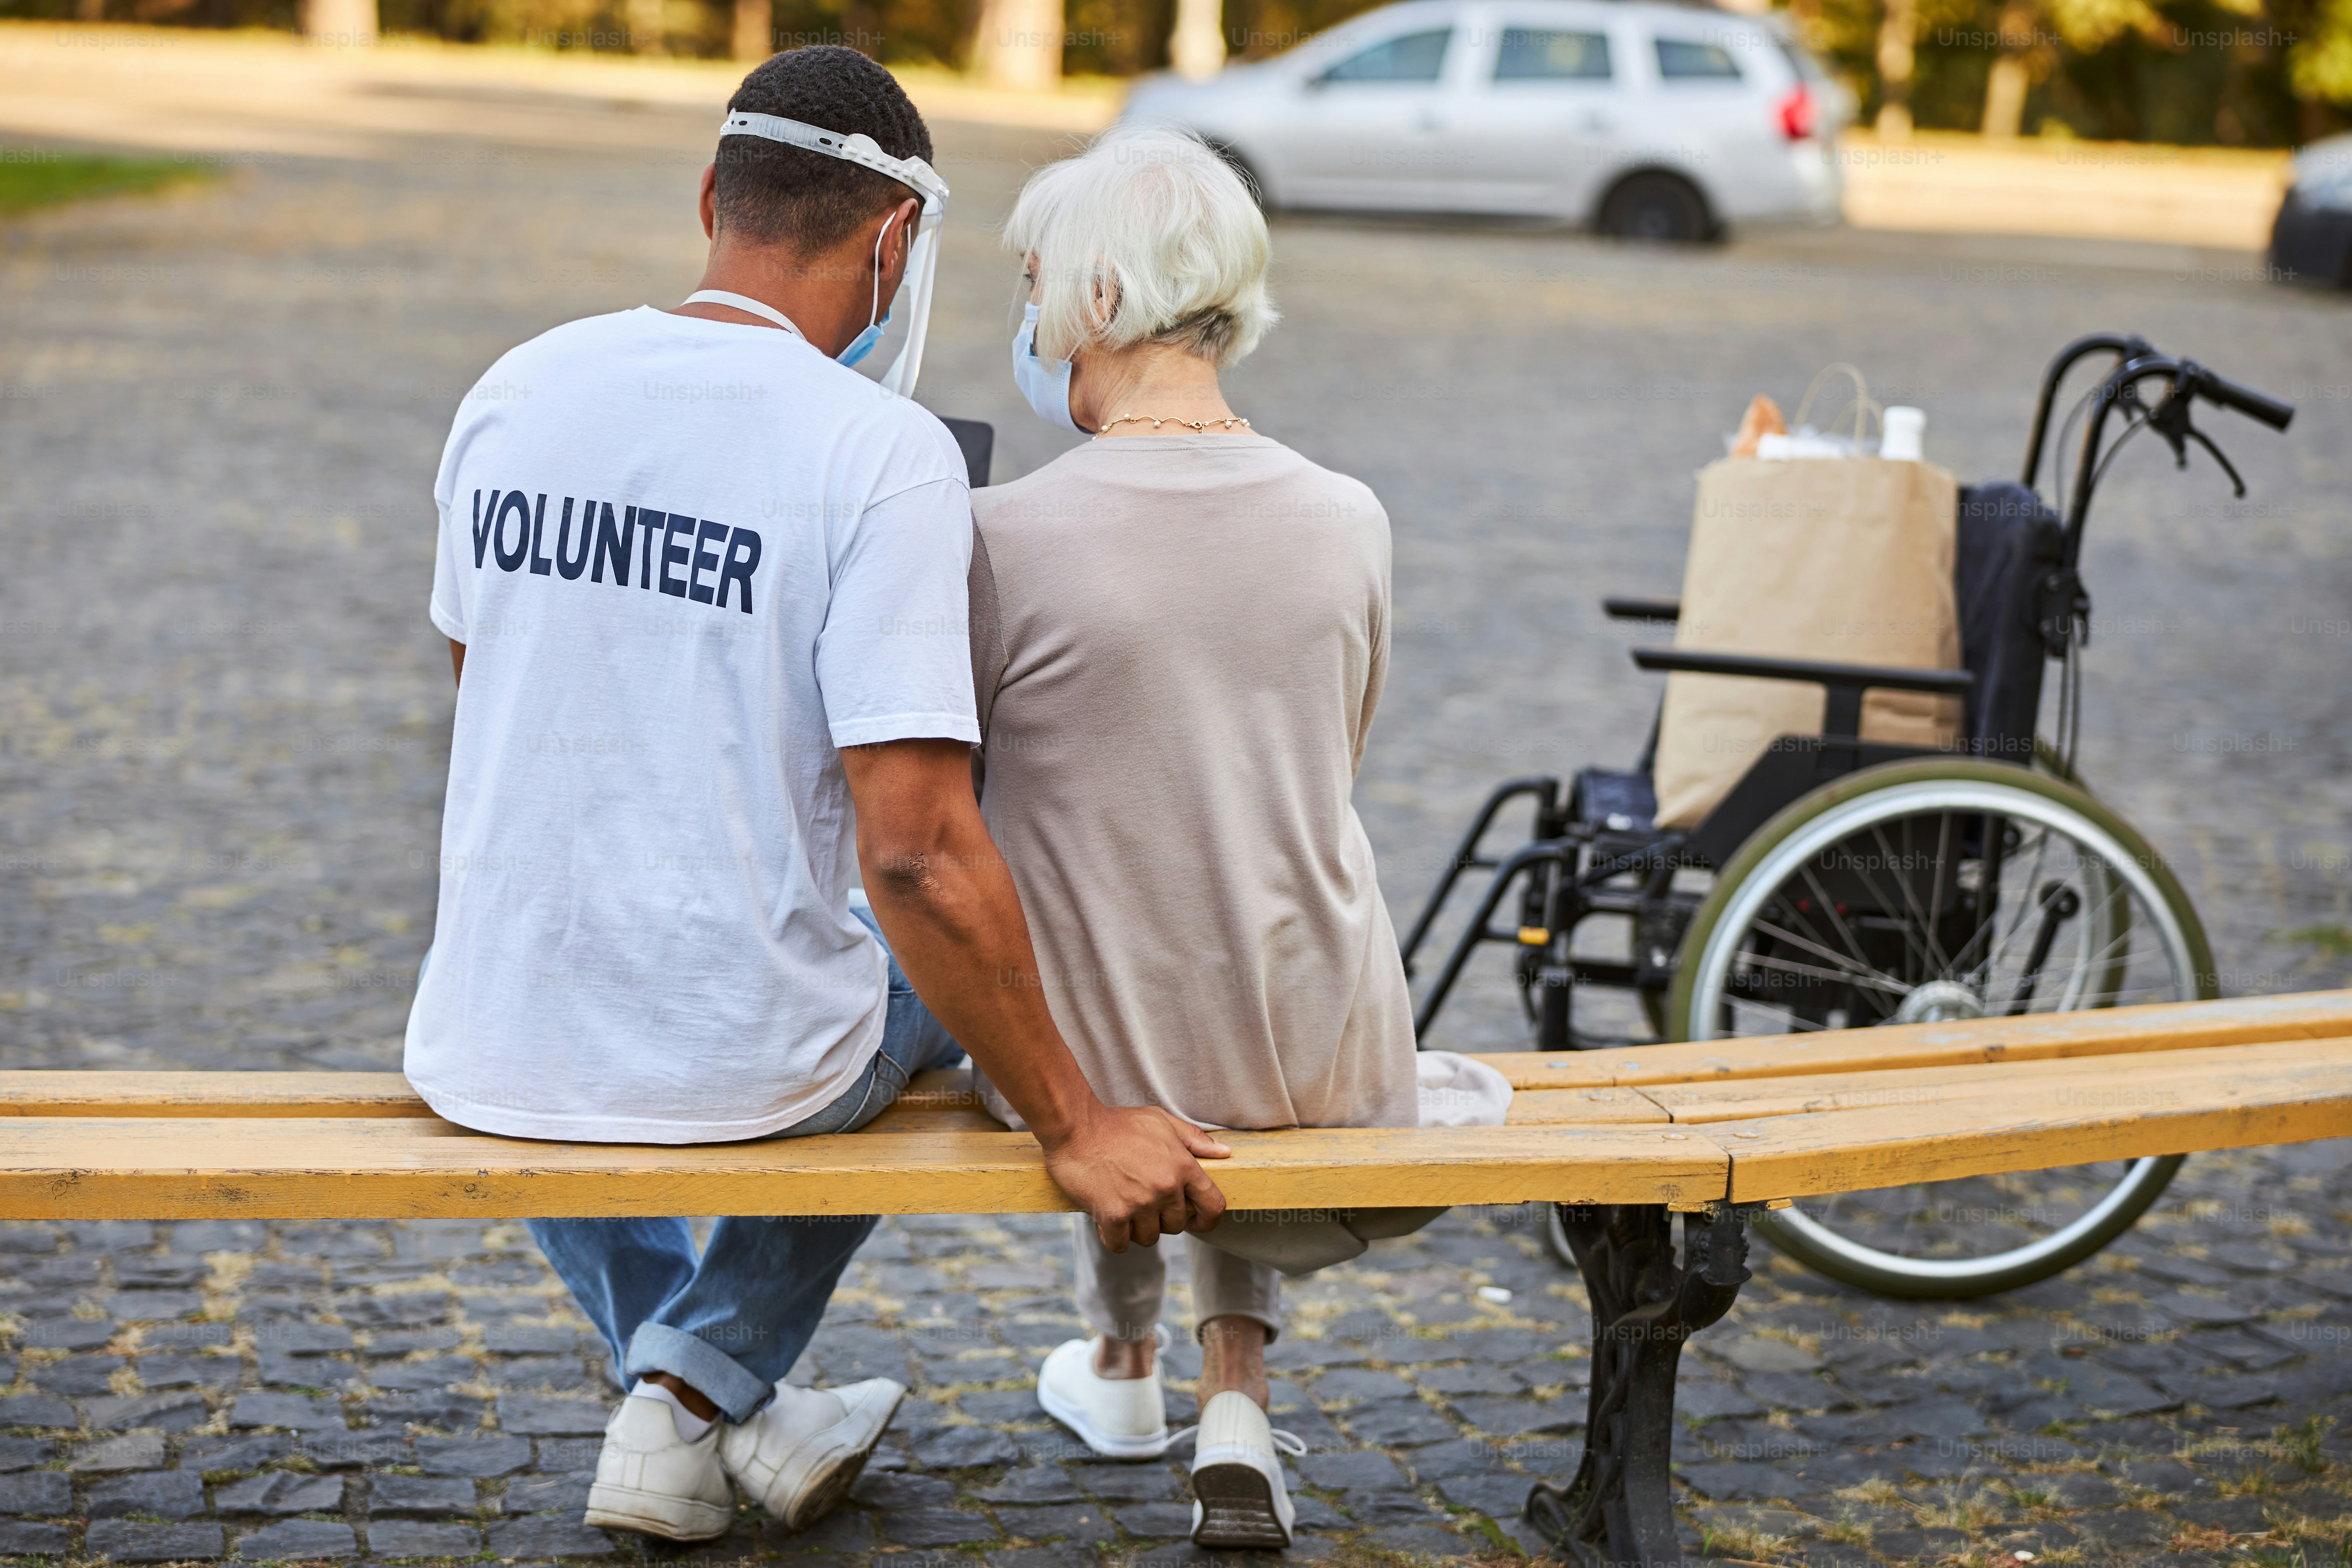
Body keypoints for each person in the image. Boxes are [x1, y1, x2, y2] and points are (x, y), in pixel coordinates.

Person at [408, 50, 1229, 1546]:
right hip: (746, 1062)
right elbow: (914, 852)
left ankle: (706, 1404)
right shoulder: (880, 454)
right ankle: (699, 1392)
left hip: (491, 1030)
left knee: (613, 987)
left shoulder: (517, 390)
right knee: (933, 964)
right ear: (895, 242)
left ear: (712, 196)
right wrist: (1073, 1116)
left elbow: (502, 711)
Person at [972, 123, 1421, 1551]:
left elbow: (961, 803)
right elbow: (1324, 769)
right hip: (1319, 1044)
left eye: (1040, 284)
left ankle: (1120, 1365)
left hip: (1100, 1062)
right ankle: (1233, 1388)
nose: (1033, 318)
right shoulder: (1349, 517)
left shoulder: (1002, 531)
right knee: (1234, 931)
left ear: (1099, 304)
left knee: (1106, 954)